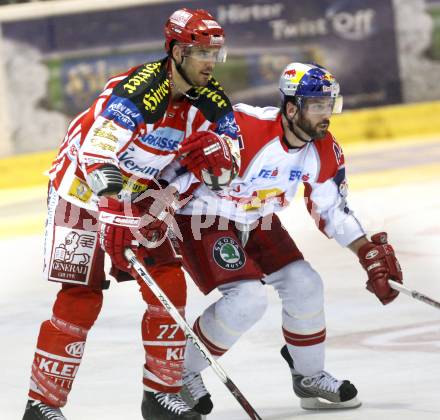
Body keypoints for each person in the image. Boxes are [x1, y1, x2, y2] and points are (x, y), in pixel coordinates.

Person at [22, 7, 240, 420]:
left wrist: (175, 195)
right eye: (200, 53)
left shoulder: (212, 104)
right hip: (79, 192)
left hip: (140, 193)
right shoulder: (140, 91)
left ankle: (159, 396)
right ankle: (41, 407)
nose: (210, 63)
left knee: (170, 284)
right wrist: (115, 211)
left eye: (215, 54)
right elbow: (94, 153)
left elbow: (222, 169)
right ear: (175, 51)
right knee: (80, 297)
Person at [172, 62, 403, 415]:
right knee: (247, 299)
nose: (326, 116)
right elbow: (180, 159)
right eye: (318, 106)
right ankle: (180, 373)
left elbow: (332, 210)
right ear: (292, 108)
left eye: (330, 105)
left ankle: (308, 376)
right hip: (203, 216)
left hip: (256, 218)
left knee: (305, 283)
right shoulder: (242, 126)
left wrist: (366, 250)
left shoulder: (324, 150)